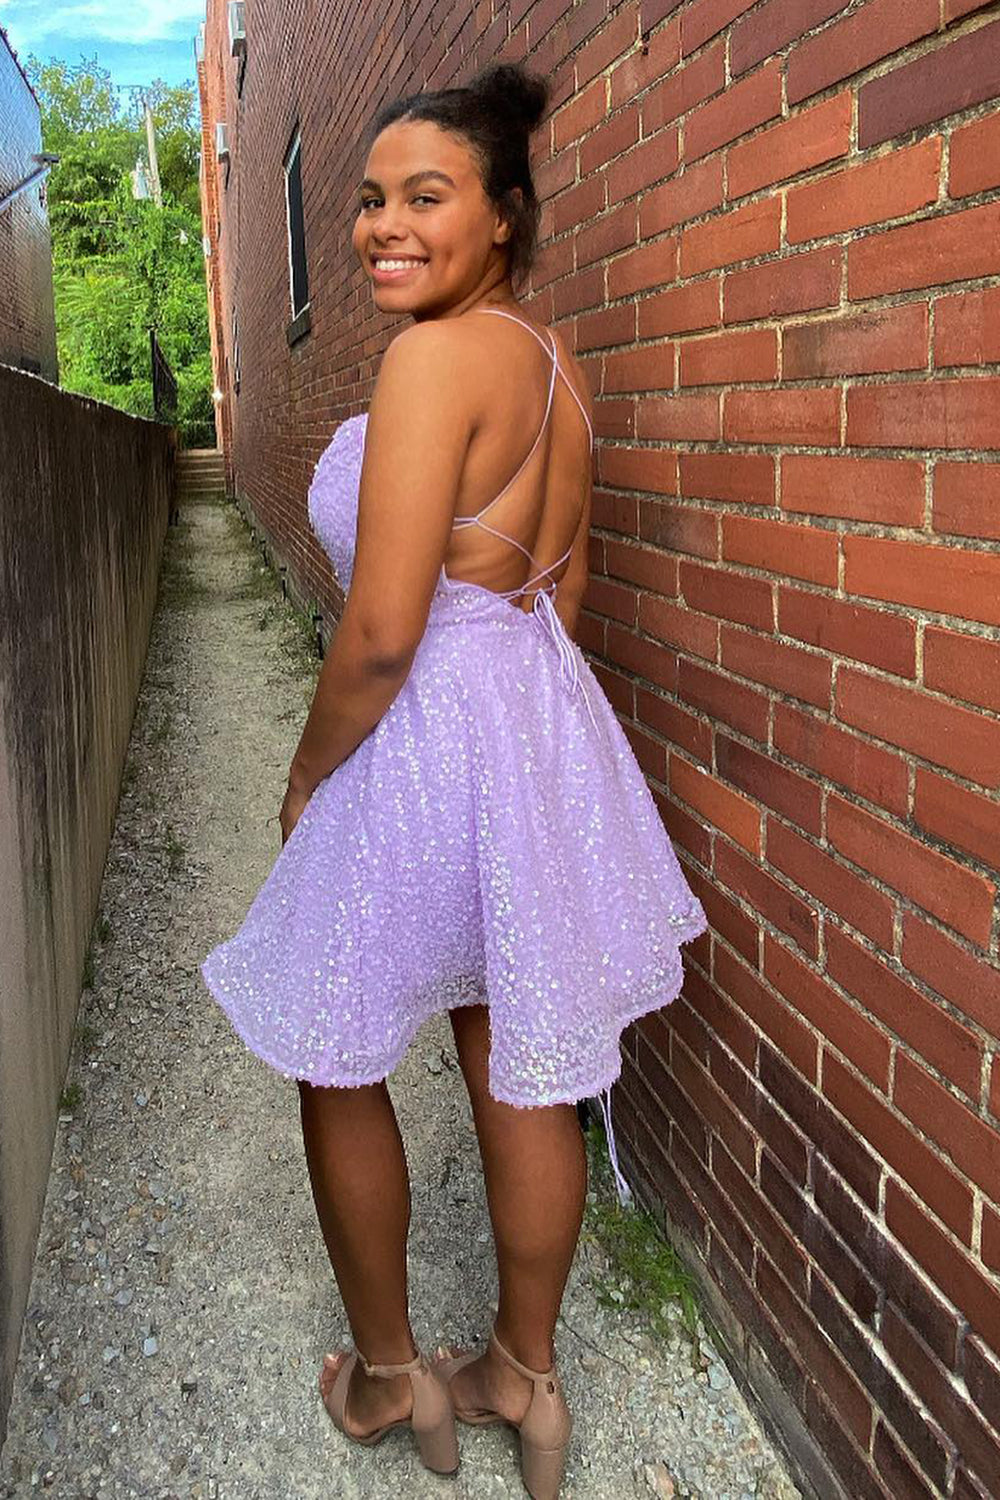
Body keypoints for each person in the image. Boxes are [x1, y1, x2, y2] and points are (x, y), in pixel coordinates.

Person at [200, 60, 707, 1500]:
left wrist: (308, 777)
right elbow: (562, 597)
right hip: (531, 727)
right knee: (512, 1043)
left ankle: (390, 1377)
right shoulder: (558, 376)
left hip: (419, 729)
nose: (380, 226)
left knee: (337, 1041)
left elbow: (381, 629)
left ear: (505, 216)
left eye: (425, 196)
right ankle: (523, 1381)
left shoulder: (433, 362)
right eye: (369, 200)